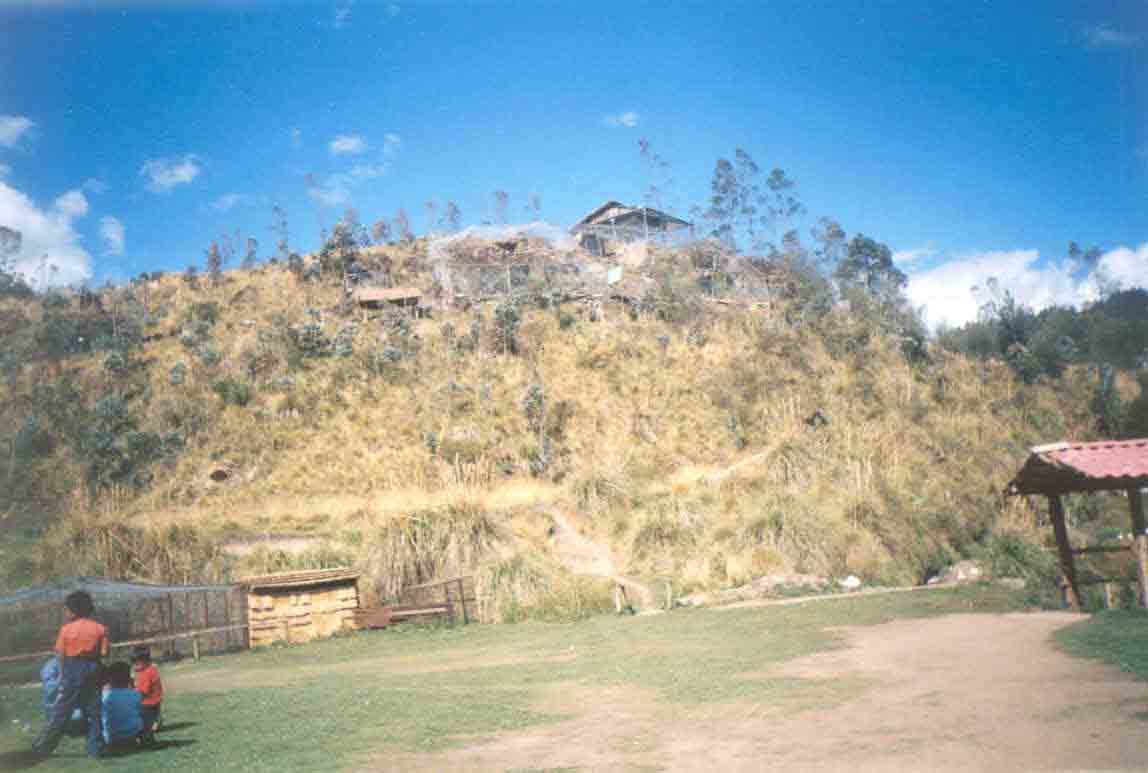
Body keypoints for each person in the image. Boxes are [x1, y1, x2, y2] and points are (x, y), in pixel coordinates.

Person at [32, 590, 108, 759]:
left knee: (62, 711)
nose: (65, 613)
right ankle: (96, 749)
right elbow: (104, 653)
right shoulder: (100, 628)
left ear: (73, 610)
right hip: (93, 668)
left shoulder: (66, 630)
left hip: (72, 669)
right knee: (94, 710)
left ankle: (44, 748)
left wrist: (63, 674)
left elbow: (60, 654)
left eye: (66, 609)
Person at [100, 661, 143, 750]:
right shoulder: (136, 694)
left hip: (111, 738)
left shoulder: (104, 696)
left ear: (110, 679)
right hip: (132, 735)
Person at [131, 645, 163, 743]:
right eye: (133, 663)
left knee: (144, 723)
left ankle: (146, 738)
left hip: (147, 704)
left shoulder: (146, 673)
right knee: (148, 724)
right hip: (155, 702)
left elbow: (142, 692)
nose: (134, 666)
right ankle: (148, 735)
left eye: (137, 663)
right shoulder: (151, 670)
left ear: (145, 661)